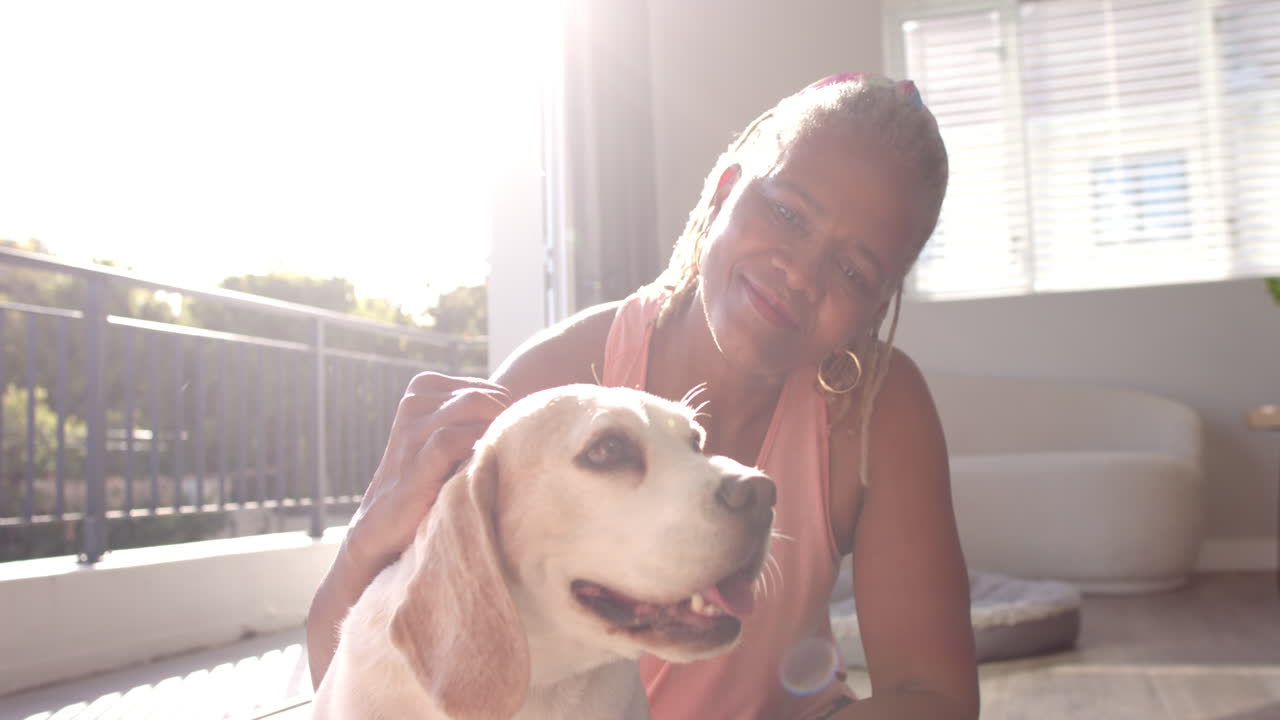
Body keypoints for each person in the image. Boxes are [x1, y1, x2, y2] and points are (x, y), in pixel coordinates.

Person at [307, 72, 979, 720]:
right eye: (785, 212)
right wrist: (368, 537)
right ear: (723, 191)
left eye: (855, 270)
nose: (801, 273)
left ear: (877, 308)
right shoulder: (552, 388)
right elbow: (348, 679)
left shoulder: (880, 408)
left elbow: (935, 698)